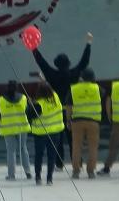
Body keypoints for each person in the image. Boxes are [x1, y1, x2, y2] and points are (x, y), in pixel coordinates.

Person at [32, 31, 93, 168]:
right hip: (72, 110)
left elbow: (41, 62)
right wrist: (88, 43)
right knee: (73, 139)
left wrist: (33, 47)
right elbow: (84, 62)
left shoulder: (51, 75)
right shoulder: (74, 73)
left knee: (58, 139)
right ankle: (77, 162)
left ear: (56, 64)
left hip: (58, 110)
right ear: (68, 63)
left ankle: (59, 163)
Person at [67, 68, 103, 179]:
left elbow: (69, 107)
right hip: (93, 121)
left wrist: (68, 120)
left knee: (76, 147)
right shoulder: (98, 88)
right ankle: (91, 171)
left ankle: (76, 171)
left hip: (77, 121)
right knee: (93, 147)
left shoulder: (73, 89)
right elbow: (105, 98)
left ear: (81, 77)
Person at [29, 82, 64, 185]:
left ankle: (38, 177)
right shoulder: (56, 98)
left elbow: (30, 115)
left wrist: (30, 104)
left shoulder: (39, 104)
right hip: (55, 131)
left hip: (40, 133)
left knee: (39, 155)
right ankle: (49, 179)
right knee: (51, 156)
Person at [0, 80, 32, 180]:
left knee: (11, 151)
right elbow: (28, 111)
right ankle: (28, 172)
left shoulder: (1, 100)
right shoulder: (24, 98)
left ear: (7, 87)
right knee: (23, 149)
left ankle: (11, 175)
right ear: (17, 88)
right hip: (22, 127)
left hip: (8, 128)